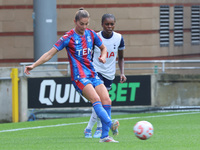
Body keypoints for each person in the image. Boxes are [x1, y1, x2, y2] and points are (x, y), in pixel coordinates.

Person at [24, 8, 119, 143]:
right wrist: (33, 65)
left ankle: (105, 137)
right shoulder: (68, 37)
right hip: (79, 76)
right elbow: (49, 54)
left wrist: (103, 57)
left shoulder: (91, 34)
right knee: (96, 99)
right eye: (81, 24)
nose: (84, 27)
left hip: (92, 73)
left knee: (107, 100)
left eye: (86, 24)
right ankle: (110, 124)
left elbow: (103, 48)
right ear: (75, 21)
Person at [84, 14, 126, 138]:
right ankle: (98, 128)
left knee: (101, 102)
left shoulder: (119, 38)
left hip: (109, 73)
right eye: (107, 24)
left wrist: (122, 72)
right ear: (102, 24)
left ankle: (90, 129)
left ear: (114, 24)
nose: (109, 26)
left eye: (111, 24)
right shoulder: (95, 37)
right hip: (96, 71)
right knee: (100, 100)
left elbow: (121, 57)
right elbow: (88, 56)